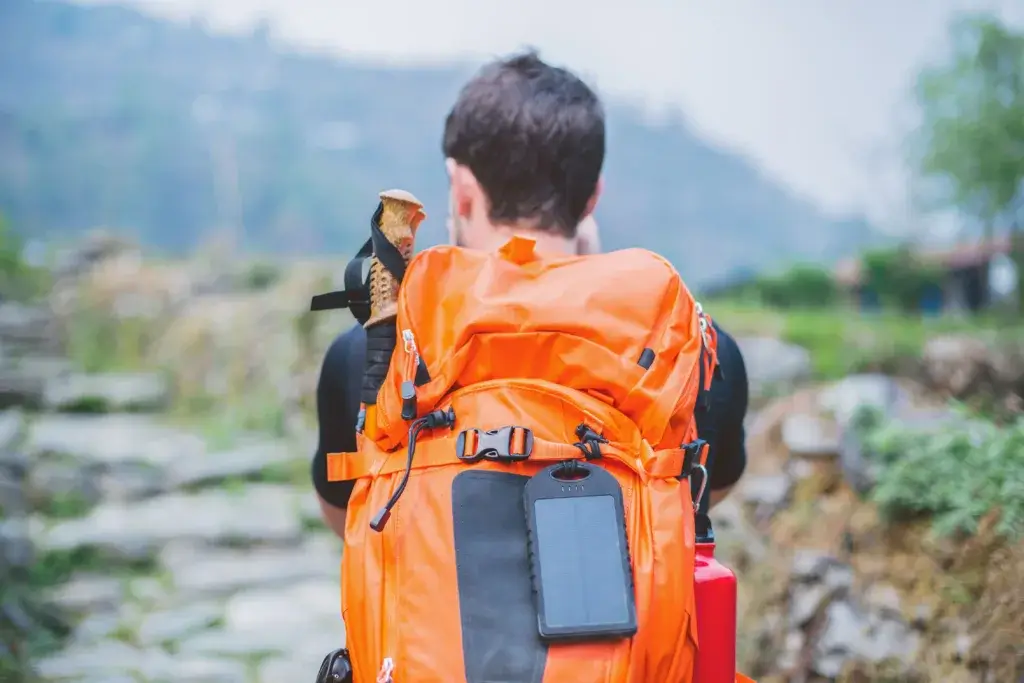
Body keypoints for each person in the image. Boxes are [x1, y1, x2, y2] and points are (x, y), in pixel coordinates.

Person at [310, 50, 749, 541]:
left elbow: (346, 515)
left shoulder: (370, 351)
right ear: (591, 198)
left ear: (461, 190)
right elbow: (700, 495)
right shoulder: (697, 354)